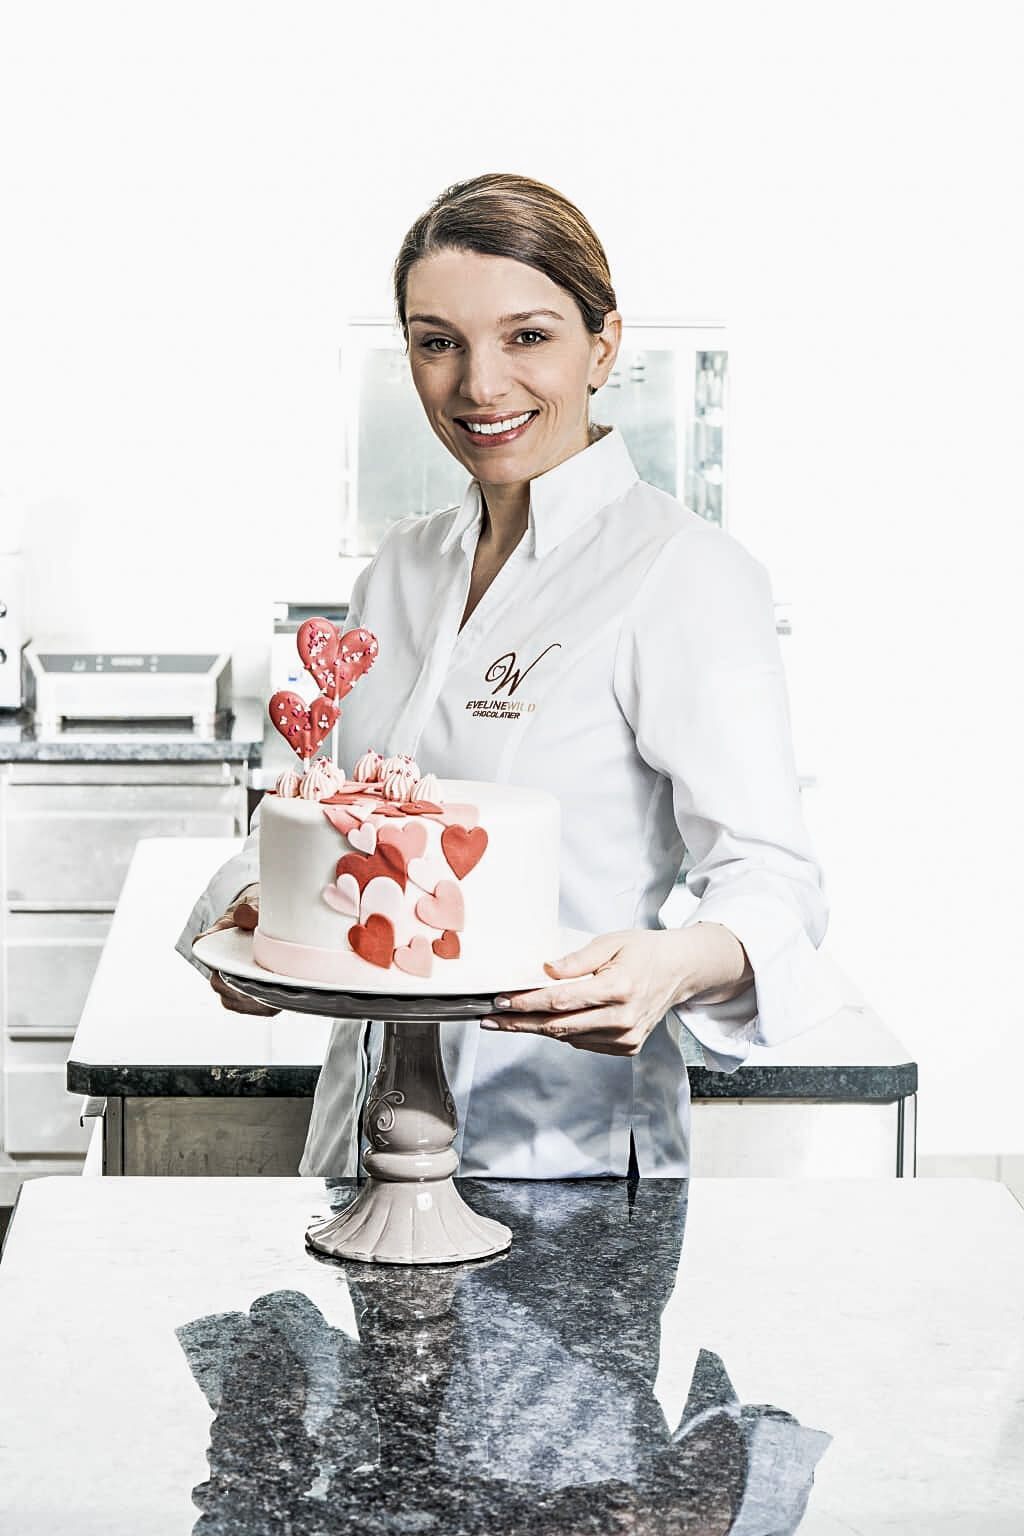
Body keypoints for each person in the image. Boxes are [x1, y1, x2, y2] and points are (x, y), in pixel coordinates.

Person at [178, 172, 848, 1179]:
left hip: (563, 1152)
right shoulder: (399, 570)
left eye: (527, 336)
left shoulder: (683, 574)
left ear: (604, 346)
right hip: (360, 1141)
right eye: (437, 342)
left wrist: (668, 968)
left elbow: (773, 882)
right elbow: (315, 814)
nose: (480, 386)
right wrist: (240, 917)